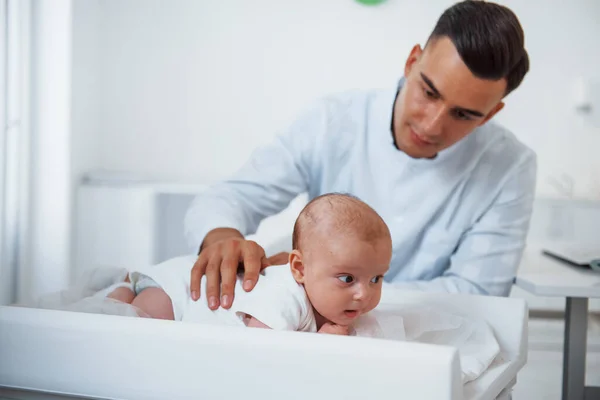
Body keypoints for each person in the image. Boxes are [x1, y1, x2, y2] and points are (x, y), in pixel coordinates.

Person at [184, 0, 537, 310]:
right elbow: (230, 197)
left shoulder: (509, 167)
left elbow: (476, 292)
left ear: (490, 114)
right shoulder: (333, 121)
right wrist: (221, 238)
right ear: (412, 61)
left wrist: (329, 286)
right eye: (429, 93)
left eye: (463, 115)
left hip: (422, 342)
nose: (431, 125)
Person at [105, 194, 392, 335]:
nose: (364, 294)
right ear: (299, 269)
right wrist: (319, 345)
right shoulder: (287, 297)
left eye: (376, 279)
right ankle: (123, 289)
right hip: (182, 292)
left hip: (194, 288)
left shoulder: (336, 303)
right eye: (347, 279)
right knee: (142, 324)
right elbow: (260, 350)